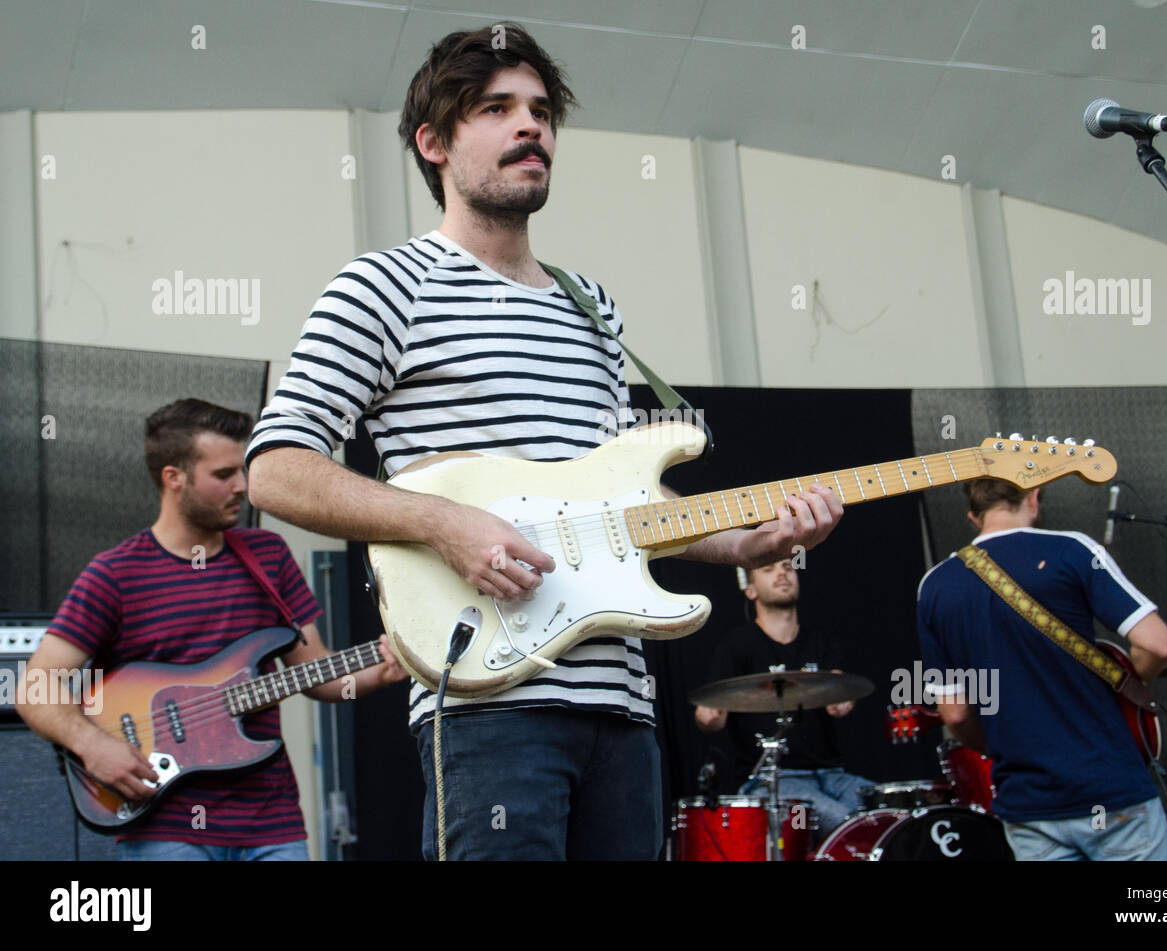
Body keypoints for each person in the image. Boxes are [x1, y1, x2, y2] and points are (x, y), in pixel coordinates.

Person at [244, 23, 843, 861]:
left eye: (540, 110)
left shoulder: (589, 303)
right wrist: (446, 525)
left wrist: (748, 538)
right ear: (435, 143)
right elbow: (275, 469)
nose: (532, 126)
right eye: (497, 108)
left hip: (623, 714)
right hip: (489, 707)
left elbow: (625, 500)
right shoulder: (382, 286)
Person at [18, 399, 406, 861]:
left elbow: (318, 673)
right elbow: (35, 689)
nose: (243, 486)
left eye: (242, 471)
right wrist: (94, 745)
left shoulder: (268, 557)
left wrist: (377, 672)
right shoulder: (114, 574)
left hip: (272, 821)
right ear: (173, 478)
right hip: (165, 826)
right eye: (224, 475)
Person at [915, 478, 1167, 861]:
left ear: (973, 516)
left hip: (1027, 804)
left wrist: (1012, 748)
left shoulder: (935, 585)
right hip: (1108, 789)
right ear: (1033, 497)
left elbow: (954, 713)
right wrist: (1128, 689)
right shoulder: (1071, 549)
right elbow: (1158, 644)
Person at [694, 559, 874, 840]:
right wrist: (709, 718)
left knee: (885, 812)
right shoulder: (737, 647)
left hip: (832, 775)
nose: (781, 573)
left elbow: (841, 687)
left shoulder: (821, 642)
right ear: (750, 590)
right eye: (768, 570)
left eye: (788, 567)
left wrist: (843, 700)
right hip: (769, 782)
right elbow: (709, 718)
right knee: (843, 822)